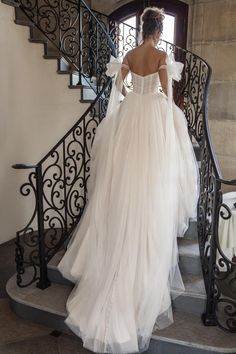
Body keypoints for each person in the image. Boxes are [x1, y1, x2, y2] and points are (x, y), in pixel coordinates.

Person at [57, 6, 199, 354]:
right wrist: (170, 120)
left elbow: (119, 87)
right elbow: (166, 96)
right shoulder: (161, 54)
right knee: (150, 183)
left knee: (124, 181)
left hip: (130, 116)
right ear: (158, 28)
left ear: (142, 27)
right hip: (151, 117)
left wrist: (130, 88)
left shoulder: (130, 54)